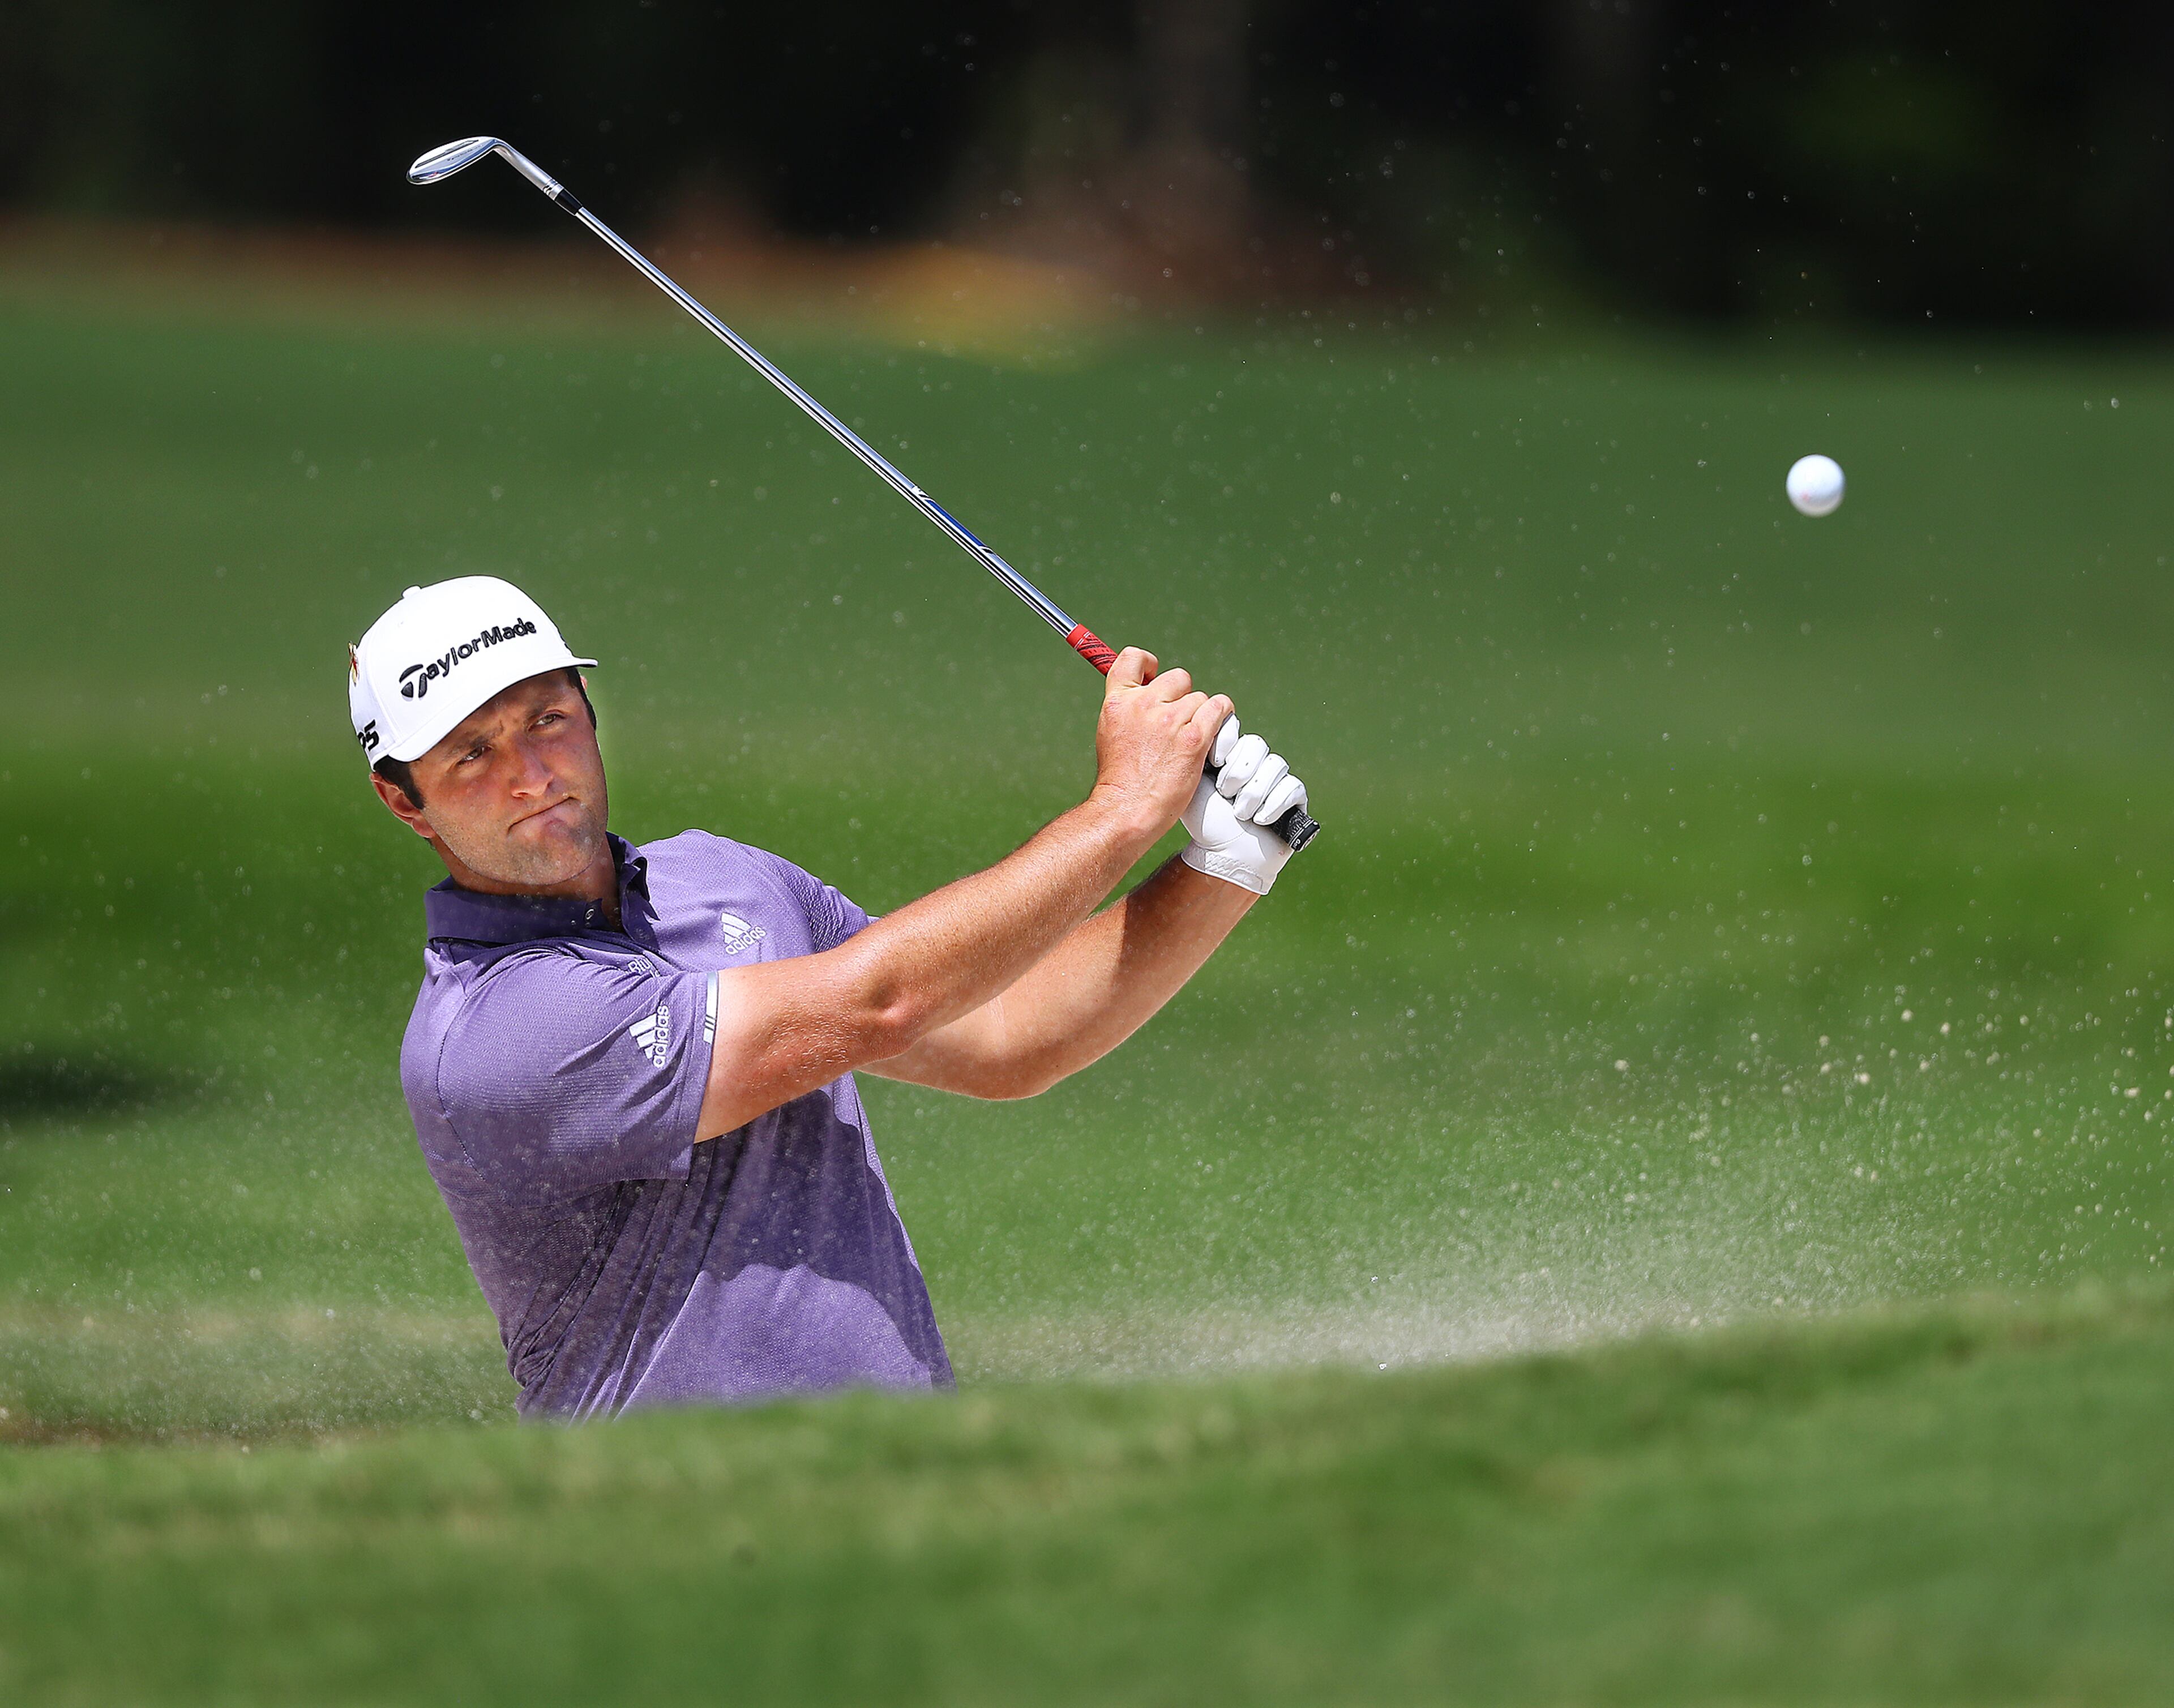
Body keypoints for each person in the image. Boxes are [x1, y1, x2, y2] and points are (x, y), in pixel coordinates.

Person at [348, 576, 1310, 1419]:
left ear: (589, 709)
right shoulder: (493, 1034)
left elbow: (1008, 1037)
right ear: (404, 800)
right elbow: (878, 1002)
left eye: (545, 720)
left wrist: (1225, 864)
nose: (529, 775)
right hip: (668, 1537)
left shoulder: (726, 880)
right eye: (472, 754)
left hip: (910, 1493)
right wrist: (1123, 808)